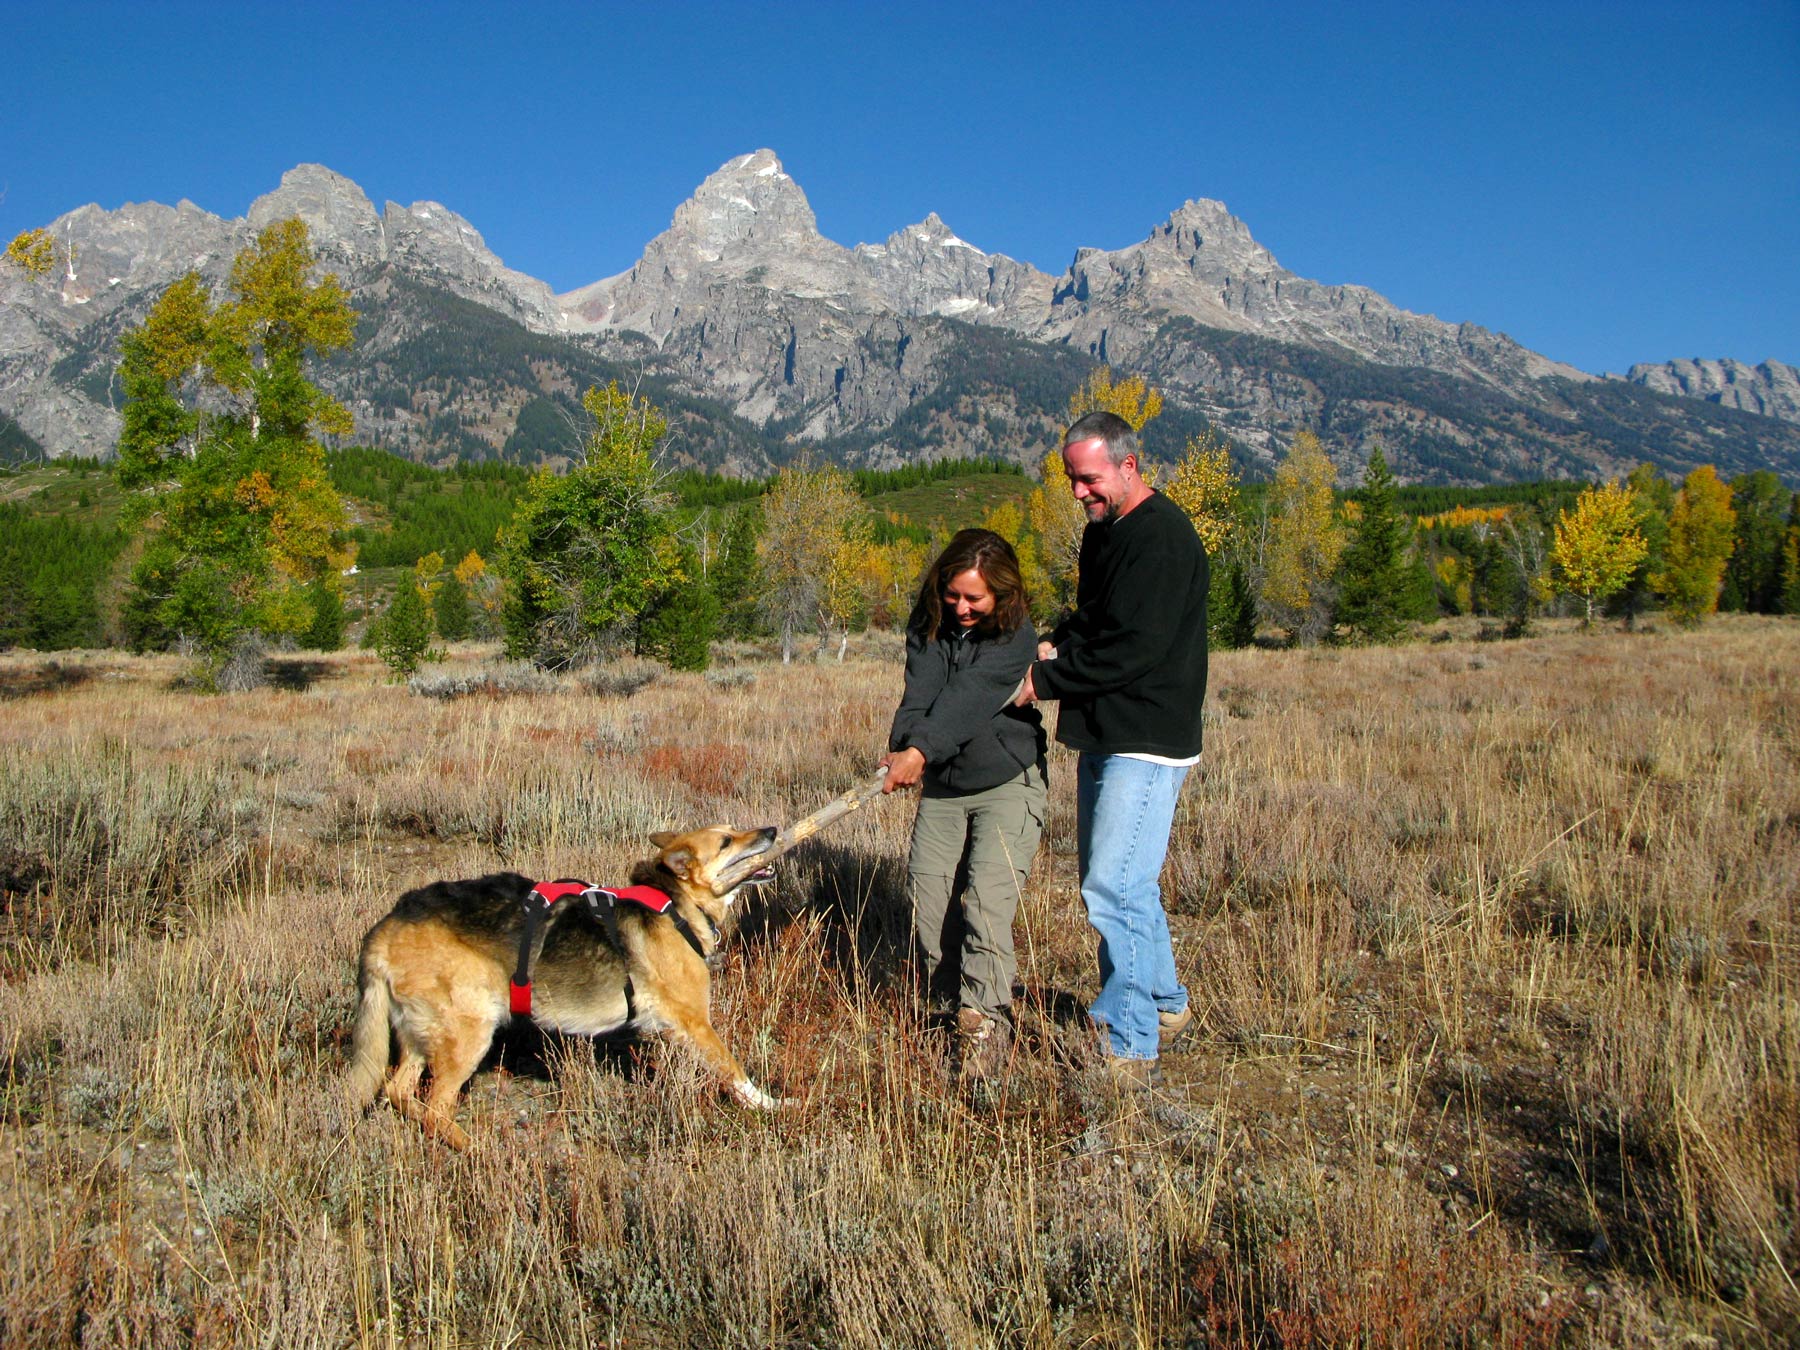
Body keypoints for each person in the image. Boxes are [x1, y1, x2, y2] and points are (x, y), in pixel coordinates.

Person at [1015, 410, 1209, 1087]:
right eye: (1071, 480)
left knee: (1112, 887)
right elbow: (1099, 621)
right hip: (1111, 731)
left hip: (1148, 740)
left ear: (1130, 464)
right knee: (1128, 884)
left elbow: (1132, 650)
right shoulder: (1108, 534)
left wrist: (1043, 679)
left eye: (1088, 478)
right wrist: (1059, 639)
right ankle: (1163, 1003)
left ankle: (1130, 1042)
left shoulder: (1162, 538)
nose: (1078, 493)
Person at [881, 528, 1047, 1077]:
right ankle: (946, 1009)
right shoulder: (930, 621)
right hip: (947, 786)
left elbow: (965, 702)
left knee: (986, 904)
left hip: (1007, 779)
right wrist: (904, 745)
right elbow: (921, 694)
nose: (962, 607)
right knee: (928, 906)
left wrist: (920, 751)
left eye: (975, 598)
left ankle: (983, 1024)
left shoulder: (1016, 636)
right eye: (954, 595)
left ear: (1002, 594)